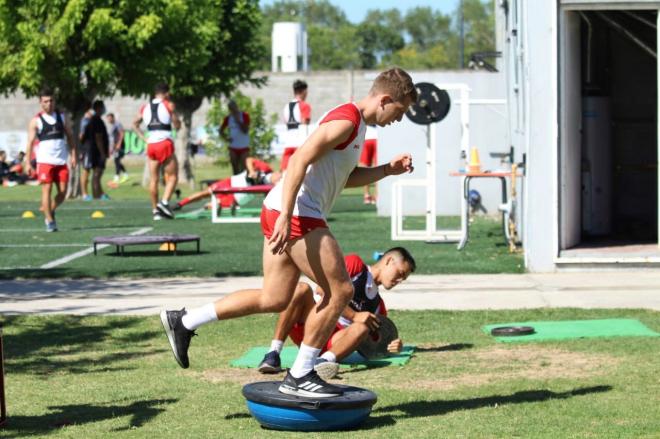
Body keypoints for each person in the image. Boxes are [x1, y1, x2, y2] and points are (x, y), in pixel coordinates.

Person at [160, 67, 417, 398]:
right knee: (339, 291)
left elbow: (344, 177)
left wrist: (386, 170)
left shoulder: (357, 126)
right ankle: (301, 374)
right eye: (401, 109)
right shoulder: (347, 119)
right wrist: (284, 218)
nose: (400, 118)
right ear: (385, 99)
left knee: (275, 298)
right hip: (295, 212)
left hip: (282, 209)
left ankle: (185, 321)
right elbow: (297, 161)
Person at [257, 248, 416, 380]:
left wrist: (391, 346)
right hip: (311, 323)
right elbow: (322, 289)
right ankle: (273, 353)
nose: (400, 280)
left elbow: (373, 344)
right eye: (400, 273)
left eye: (404, 278)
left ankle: (322, 363)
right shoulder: (356, 265)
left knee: (362, 328)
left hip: (334, 342)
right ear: (389, 261)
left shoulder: (378, 305)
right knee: (301, 289)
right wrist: (354, 315)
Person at [24, 87, 77, 232]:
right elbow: (29, 143)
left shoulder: (62, 117)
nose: (49, 103)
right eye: (46, 101)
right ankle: (49, 221)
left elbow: (71, 137)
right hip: (45, 162)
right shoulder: (36, 121)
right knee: (46, 190)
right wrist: (28, 163)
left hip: (61, 161)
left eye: (51, 100)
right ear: (41, 103)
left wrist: (73, 155)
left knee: (63, 192)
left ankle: (49, 210)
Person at [132, 83, 181, 220]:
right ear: (166, 93)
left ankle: (155, 212)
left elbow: (135, 123)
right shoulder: (169, 105)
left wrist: (144, 138)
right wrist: (175, 117)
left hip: (151, 145)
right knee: (172, 177)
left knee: (154, 179)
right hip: (165, 143)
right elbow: (177, 125)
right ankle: (164, 203)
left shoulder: (144, 107)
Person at [174, 157, 282, 211]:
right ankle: (180, 204)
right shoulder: (266, 168)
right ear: (277, 172)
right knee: (205, 193)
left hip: (240, 197)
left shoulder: (273, 188)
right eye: (280, 175)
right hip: (231, 182)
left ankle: (212, 205)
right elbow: (249, 159)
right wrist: (252, 171)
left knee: (216, 205)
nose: (279, 178)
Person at [80, 100, 110, 200]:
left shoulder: (94, 120)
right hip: (92, 151)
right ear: (98, 108)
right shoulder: (96, 120)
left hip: (94, 151)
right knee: (95, 174)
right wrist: (102, 153)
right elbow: (98, 137)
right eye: (102, 107)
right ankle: (92, 195)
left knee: (96, 174)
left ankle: (99, 194)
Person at [280, 79, 311, 171]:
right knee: (300, 170)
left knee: (285, 171)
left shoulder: (287, 106)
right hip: (299, 141)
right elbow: (305, 122)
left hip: (288, 141)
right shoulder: (304, 105)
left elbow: (286, 122)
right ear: (304, 91)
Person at [220, 100, 250, 175]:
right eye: (230, 108)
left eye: (234, 107)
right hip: (233, 146)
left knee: (244, 167)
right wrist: (226, 138)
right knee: (235, 167)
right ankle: (236, 183)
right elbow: (221, 130)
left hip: (244, 146)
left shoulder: (244, 115)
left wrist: (239, 121)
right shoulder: (228, 118)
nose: (233, 110)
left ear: (237, 107)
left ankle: (245, 182)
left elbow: (245, 130)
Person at [106, 112, 128, 184]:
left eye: (109, 118)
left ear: (113, 118)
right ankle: (125, 174)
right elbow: (112, 138)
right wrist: (111, 148)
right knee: (116, 161)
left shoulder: (117, 124)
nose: (108, 120)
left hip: (120, 146)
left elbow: (122, 133)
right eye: (107, 119)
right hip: (115, 146)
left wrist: (119, 144)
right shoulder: (112, 126)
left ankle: (117, 177)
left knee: (117, 160)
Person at [360, 125, 378, 204]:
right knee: (366, 168)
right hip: (369, 138)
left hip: (373, 138)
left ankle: (372, 195)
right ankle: (369, 195)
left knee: (373, 168)